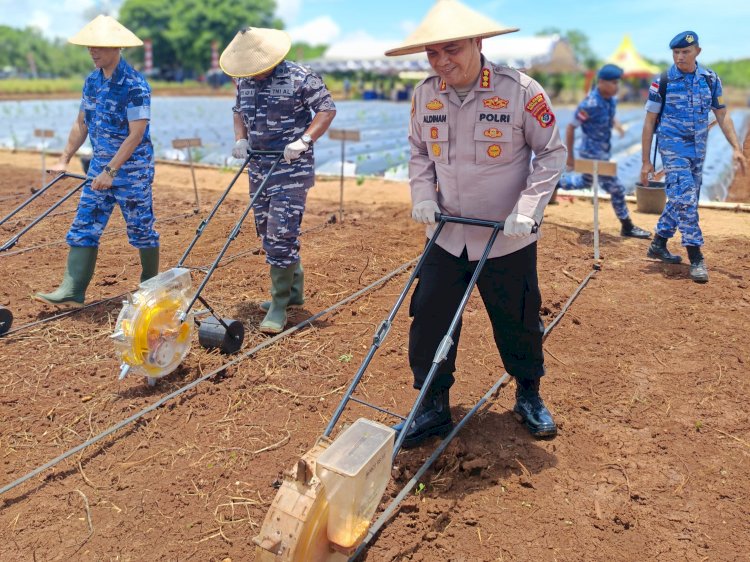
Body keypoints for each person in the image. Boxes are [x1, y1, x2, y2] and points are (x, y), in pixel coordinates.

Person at [385, 0, 566, 445]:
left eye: (452, 49)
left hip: (508, 237)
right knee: (429, 317)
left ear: (477, 43)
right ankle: (432, 406)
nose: (442, 62)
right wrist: (422, 196)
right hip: (446, 235)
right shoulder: (425, 93)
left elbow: (550, 153)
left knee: (518, 317)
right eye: (432, 54)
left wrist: (528, 208)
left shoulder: (521, 91)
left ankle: (528, 394)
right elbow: (418, 154)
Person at [34, 15, 159, 307]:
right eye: (90, 46)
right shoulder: (92, 81)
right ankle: (72, 289)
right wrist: (64, 158)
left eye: (99, 46)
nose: (93, 51)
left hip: (132, 171)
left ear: (116, 48)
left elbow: (136, 135)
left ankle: (150, 289)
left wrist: (111, 171)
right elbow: (82, 123)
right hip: (99, 168)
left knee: (141, 229)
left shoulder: (135, 85)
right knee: (84, 224)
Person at [220, 28, 336, 333]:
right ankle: (294, 290)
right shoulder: (244, 80)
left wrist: (305, 140)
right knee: (266, 229)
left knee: (280, 235)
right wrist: (240, 138)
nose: (253, 74)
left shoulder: (301, 77)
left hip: (290, 167)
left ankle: (279, 304)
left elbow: (326, 109)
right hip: (258, 166)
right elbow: (237, 112)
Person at [641, 31, 747, 283]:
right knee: (686, 198)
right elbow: (649, 121)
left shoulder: (710, 79)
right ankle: (695, 255)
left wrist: (735, 147)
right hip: (672, 147)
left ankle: (658, 242)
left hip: (698, 149)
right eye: (676, 52)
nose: (679, 57)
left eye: (685, 52)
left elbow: (721, 114)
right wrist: (646, 161)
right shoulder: (663, 81)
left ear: (697, 52)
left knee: (682, 199)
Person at [558, 64, 651, 239]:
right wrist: (570, 158)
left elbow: (610, 114)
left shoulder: (610, 100)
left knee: (584, 183)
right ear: (601, 82)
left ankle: (556, 184)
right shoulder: (590, 105)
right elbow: (571, 128)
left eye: (618, 82)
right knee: (616, 188)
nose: (617, 86)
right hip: (591, 154)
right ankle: (627, 226)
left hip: (604, 152)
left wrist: (617, 125)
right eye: (613, 82)